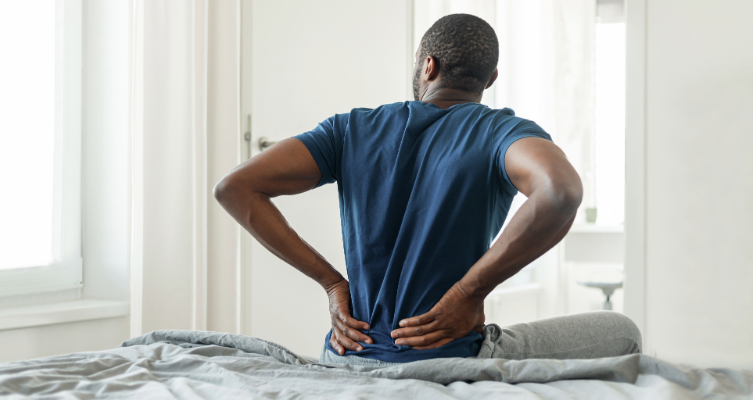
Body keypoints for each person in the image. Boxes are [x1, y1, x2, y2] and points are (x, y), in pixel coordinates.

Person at [214, 13, 641, 368]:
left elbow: (235, 187)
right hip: (444, 359)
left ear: (428, 67)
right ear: (490, 79)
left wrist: (331, 285)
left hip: (347, 355)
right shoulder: (500, 132)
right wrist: (468, 294)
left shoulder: (349, 129)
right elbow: (561, 191)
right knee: (622, 330)